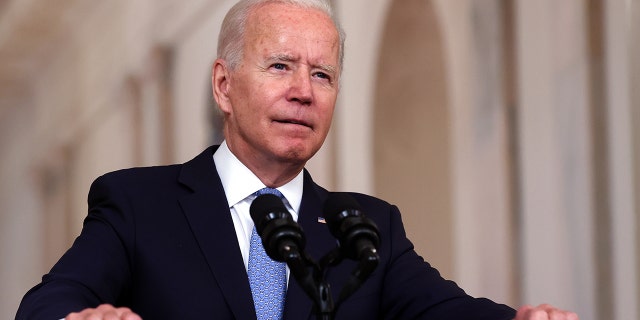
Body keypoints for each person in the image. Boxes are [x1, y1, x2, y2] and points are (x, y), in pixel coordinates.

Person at [16, 0, 579, 319]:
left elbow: (443, 313)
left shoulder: (366, 229)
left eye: (323, 75)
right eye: (281, 67)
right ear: (224, 85)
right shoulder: (140, 205)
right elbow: (46, 304)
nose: (304, 92)